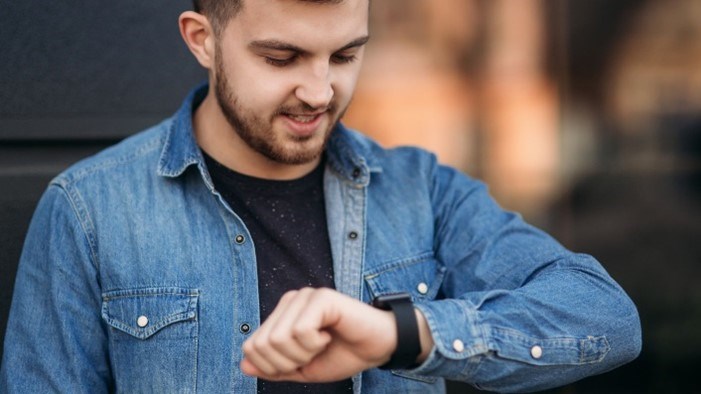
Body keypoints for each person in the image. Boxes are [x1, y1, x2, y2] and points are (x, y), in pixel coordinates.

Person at [0, 0, 641, 392]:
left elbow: (606, 318)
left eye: (344, 55)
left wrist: (403, 336)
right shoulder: (90, 210)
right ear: (202, 38)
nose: (319, 91)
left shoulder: (422, 190)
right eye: (282, 58)